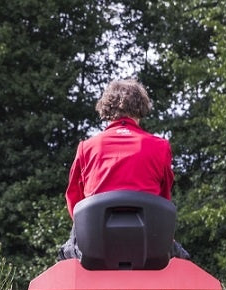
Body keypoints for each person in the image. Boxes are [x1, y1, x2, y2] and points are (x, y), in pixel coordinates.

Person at [58, 79, 189, 261]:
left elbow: (74, 199)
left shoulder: (87, 147)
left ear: (107, 109)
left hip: (94, 245)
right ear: (141, 108)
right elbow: (164, 196)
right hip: (149, 244)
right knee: (183, 261)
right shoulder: (160, 147)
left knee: (64, 257)